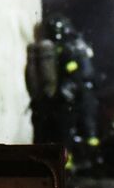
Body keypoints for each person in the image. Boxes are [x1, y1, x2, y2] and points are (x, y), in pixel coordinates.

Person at [25, 14, 99, 170]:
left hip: (65, 98)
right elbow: (82, 73)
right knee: (78, 129)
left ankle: (71, 161)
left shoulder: (65, 47)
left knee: (65, 130)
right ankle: (83, 161)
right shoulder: (75, 46)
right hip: (75, 97)